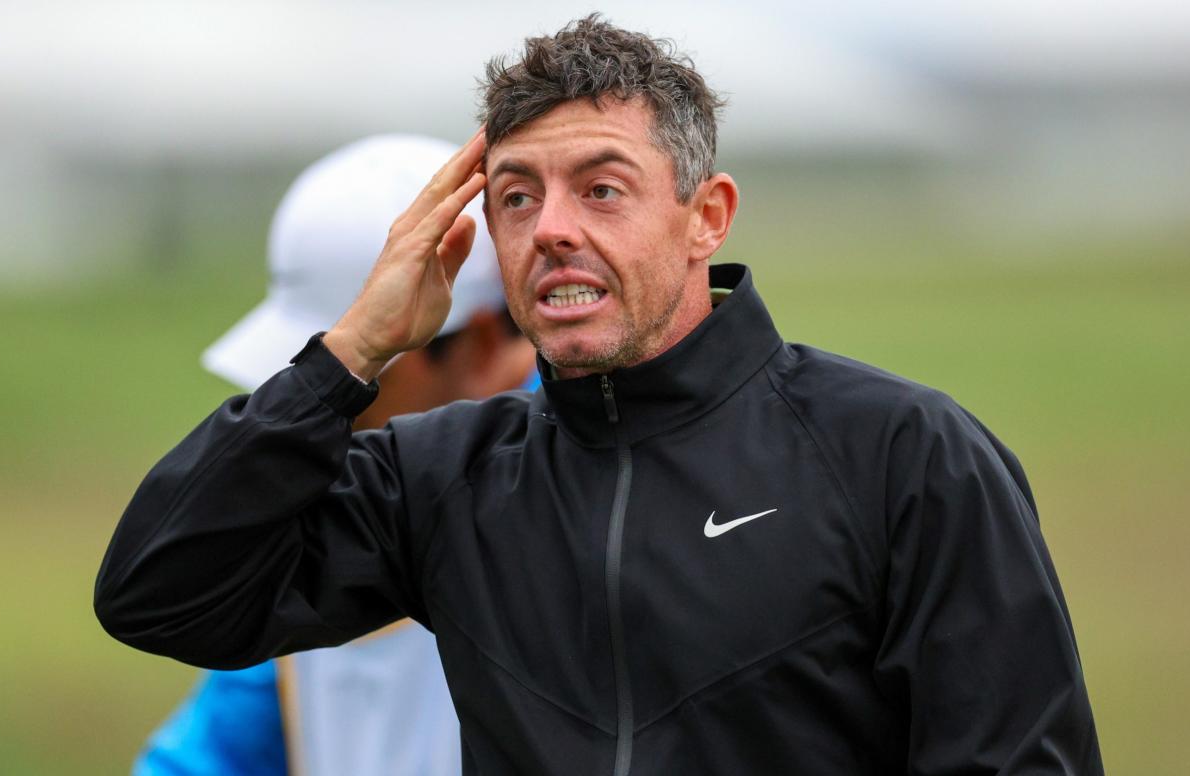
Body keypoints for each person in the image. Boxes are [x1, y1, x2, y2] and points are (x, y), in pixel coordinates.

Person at [97, 15, 1104, 775]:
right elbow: (159, 594)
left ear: (704, 215)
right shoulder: (437, 476)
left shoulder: (902, 450)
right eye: (516, 197)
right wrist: (352, 347)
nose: (552, 229)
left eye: (602, 188)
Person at [131, 134, 536, 776]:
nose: (320, 419)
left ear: (480, 345)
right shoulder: (340, 515)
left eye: (363, 375)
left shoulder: (607, 492)